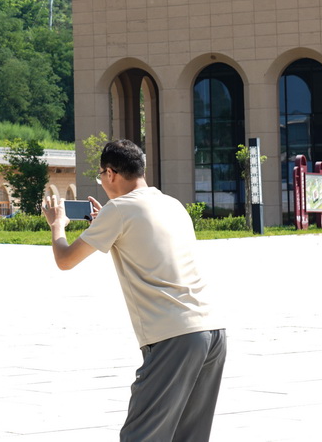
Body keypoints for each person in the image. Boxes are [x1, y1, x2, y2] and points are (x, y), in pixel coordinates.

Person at [43, 139, 226, 441]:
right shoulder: (172, 204)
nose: (101, 181)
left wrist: (57, 225)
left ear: (112, 173)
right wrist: (108, 221)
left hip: (174, 337)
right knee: (189, 437)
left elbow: (65, 260)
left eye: (101, 174)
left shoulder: (119, 210)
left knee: (140, 436)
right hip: (213, 330)